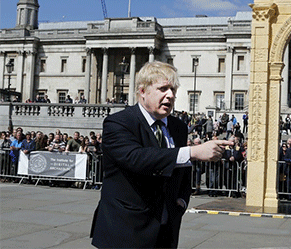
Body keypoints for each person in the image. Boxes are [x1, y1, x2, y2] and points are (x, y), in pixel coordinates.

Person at [90, 61, 232, 249]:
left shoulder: (178, 127)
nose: (171, 95)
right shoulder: (119, 123)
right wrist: (194, 152)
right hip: (125, 230)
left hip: (167, 229)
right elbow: (136, 158)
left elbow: (182, 171)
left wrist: (180, 202)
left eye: (173, 89)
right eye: (163, 89)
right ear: (142, 91)